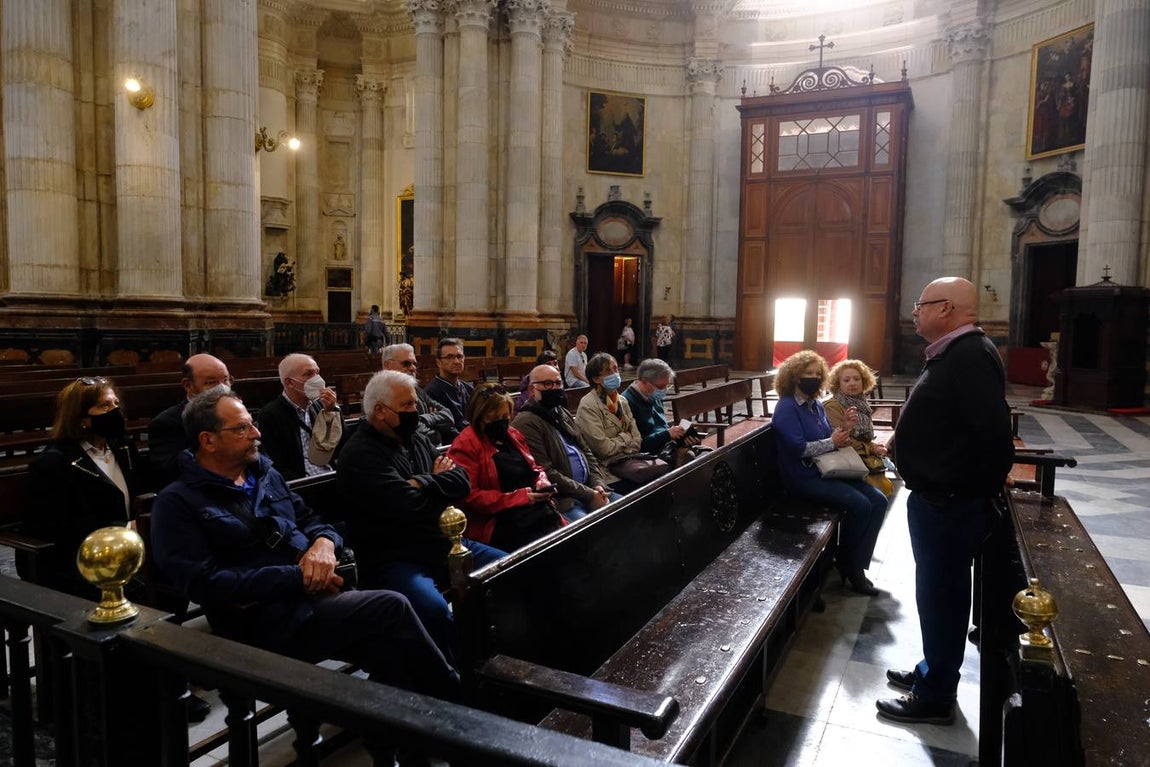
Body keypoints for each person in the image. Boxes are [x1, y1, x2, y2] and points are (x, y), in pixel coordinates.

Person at [149, 387, 459, 762]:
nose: (256, 433)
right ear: (208, 440)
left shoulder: (264, 474)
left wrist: (324, 545)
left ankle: (408, 748)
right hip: (260, 623)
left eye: (253, 424)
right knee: (391, 606)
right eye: (242, 428)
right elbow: (204, 583)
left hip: (314, 602)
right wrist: (298, 577)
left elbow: (312, 520)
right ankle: (457, 705)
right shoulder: (177, 502)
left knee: (390, 650)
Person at [876, 277, 1014, 726]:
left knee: (942, 597)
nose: (915, 311)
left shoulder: (969, 355)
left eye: (921, 304)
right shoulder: (956, 352)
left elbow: (993, 434)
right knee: (938, 595)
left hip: (950, 504)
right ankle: (932, 670)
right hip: (944, 499)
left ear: (947, 309)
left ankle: (935, 695)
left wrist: (969, 489)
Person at [337, 371, 505, 662]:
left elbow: (462, 481)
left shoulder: (414, 437)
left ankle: (497, 651)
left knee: (507, 570)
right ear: (379, 411)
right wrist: (436, 483)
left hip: (442, 542)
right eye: (407, 406)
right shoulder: (360, 454)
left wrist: (421, 482)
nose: (415, 411)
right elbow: (406, 505)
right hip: (395, 557)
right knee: (434, 611)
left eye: (415, 404)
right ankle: (459, 673)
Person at [772, 350, 889, 596]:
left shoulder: (815, 404)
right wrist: (832, 442)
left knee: (878, 500)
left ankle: (855, 561)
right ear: (794, 376)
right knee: (860, 505)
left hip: (826, 469)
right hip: (802, 476)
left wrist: (843, 429)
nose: (814, 378)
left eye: (818, 373)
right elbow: (798, 449)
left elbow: (827, 437)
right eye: (808, 373)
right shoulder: (787, 407)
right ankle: (849, 563)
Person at [21, 377, 143, 600]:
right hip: (83, 557)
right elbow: (57, 526)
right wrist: (123, 529)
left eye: (116, 404)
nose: (114, 411)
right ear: (80, 418)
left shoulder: (123, 447)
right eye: (104, 406)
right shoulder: (54, 462)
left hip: (131, 548)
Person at [446, 384, 565, 552]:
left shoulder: (513, 434)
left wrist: (541, 481)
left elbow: (534, 467)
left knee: (572, 540)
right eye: (494, 418)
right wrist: (519, 498)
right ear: (478, 415)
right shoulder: (465, 445)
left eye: (505, 417)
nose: (501, 423)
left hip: (533, 511)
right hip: (497, 521)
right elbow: (470, 497)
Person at [512, 365, 620, 522]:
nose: (555, 388)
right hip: (563, 499)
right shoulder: (526, 422)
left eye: (558, 383)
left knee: (630, 509)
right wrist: (589, 495)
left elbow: (585, 450)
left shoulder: (561, 412)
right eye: (548, 384)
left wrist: (597, 484)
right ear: (531, 389)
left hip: (590, 488)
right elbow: (546, 471)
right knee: (592, 528)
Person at [148, 354, 232, 488]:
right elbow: (170, 471)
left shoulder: (238, 414)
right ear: (188, 385)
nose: (223, 389)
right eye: (211, 382)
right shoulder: (166, 423)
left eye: (226, 380)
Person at [257, 353, 343, 480]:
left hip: (330, 473)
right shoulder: (271, 414)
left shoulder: (321, 405)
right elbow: (277, 463)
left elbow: (342, 445)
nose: (317, 379)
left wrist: (333, 411)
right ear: (290, 382)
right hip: (302, 481)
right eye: (308, 374)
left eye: (317, 373)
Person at [823, 359, 893, 497]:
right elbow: (841, 440)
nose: (852, 383)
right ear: (837, 383)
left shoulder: (861, 403)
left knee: (886, 489)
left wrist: (874, 445)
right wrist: (871, 448)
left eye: (857, 379)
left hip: (861, 455)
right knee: (879, 494)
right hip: (846, 459)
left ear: (864, 381)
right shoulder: (833, 406)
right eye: (846, 380)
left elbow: (864, 436)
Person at [575, 352, 647, 486]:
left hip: (631, 461)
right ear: (596, 379)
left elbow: (637, 438)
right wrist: (626, 437)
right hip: (607, 471)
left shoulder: (622, 401)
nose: (615, 374)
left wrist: (624, 446)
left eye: (615, 369)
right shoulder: (588, 405)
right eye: (608, 371)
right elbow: (603, 449)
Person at [382, 342, 458, 445]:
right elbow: (422, 435)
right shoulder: (381, 395)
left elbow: (448, 416)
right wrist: (436, 429)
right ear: (387, 366)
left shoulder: (417, 390)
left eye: (414, 364)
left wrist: (425, 419)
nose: (413, 368)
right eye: (406, 364)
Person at [623, 358, 697, 455]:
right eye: (661, 387)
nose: (664, 390)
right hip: (649, 454)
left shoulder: (653, 395)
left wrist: (680, 435)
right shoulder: (626, 402)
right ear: (644, 381)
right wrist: (668, 434)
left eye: (667, 386)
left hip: (666, 447)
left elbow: (661, 427)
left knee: (705, 453)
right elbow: (636, 445)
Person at [424, 338, 474, 433]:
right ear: (439, 362)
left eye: (459, 356)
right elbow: (444, 429)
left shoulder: (468, 389)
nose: (456, 361)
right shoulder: (431, 393)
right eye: (449, 357)